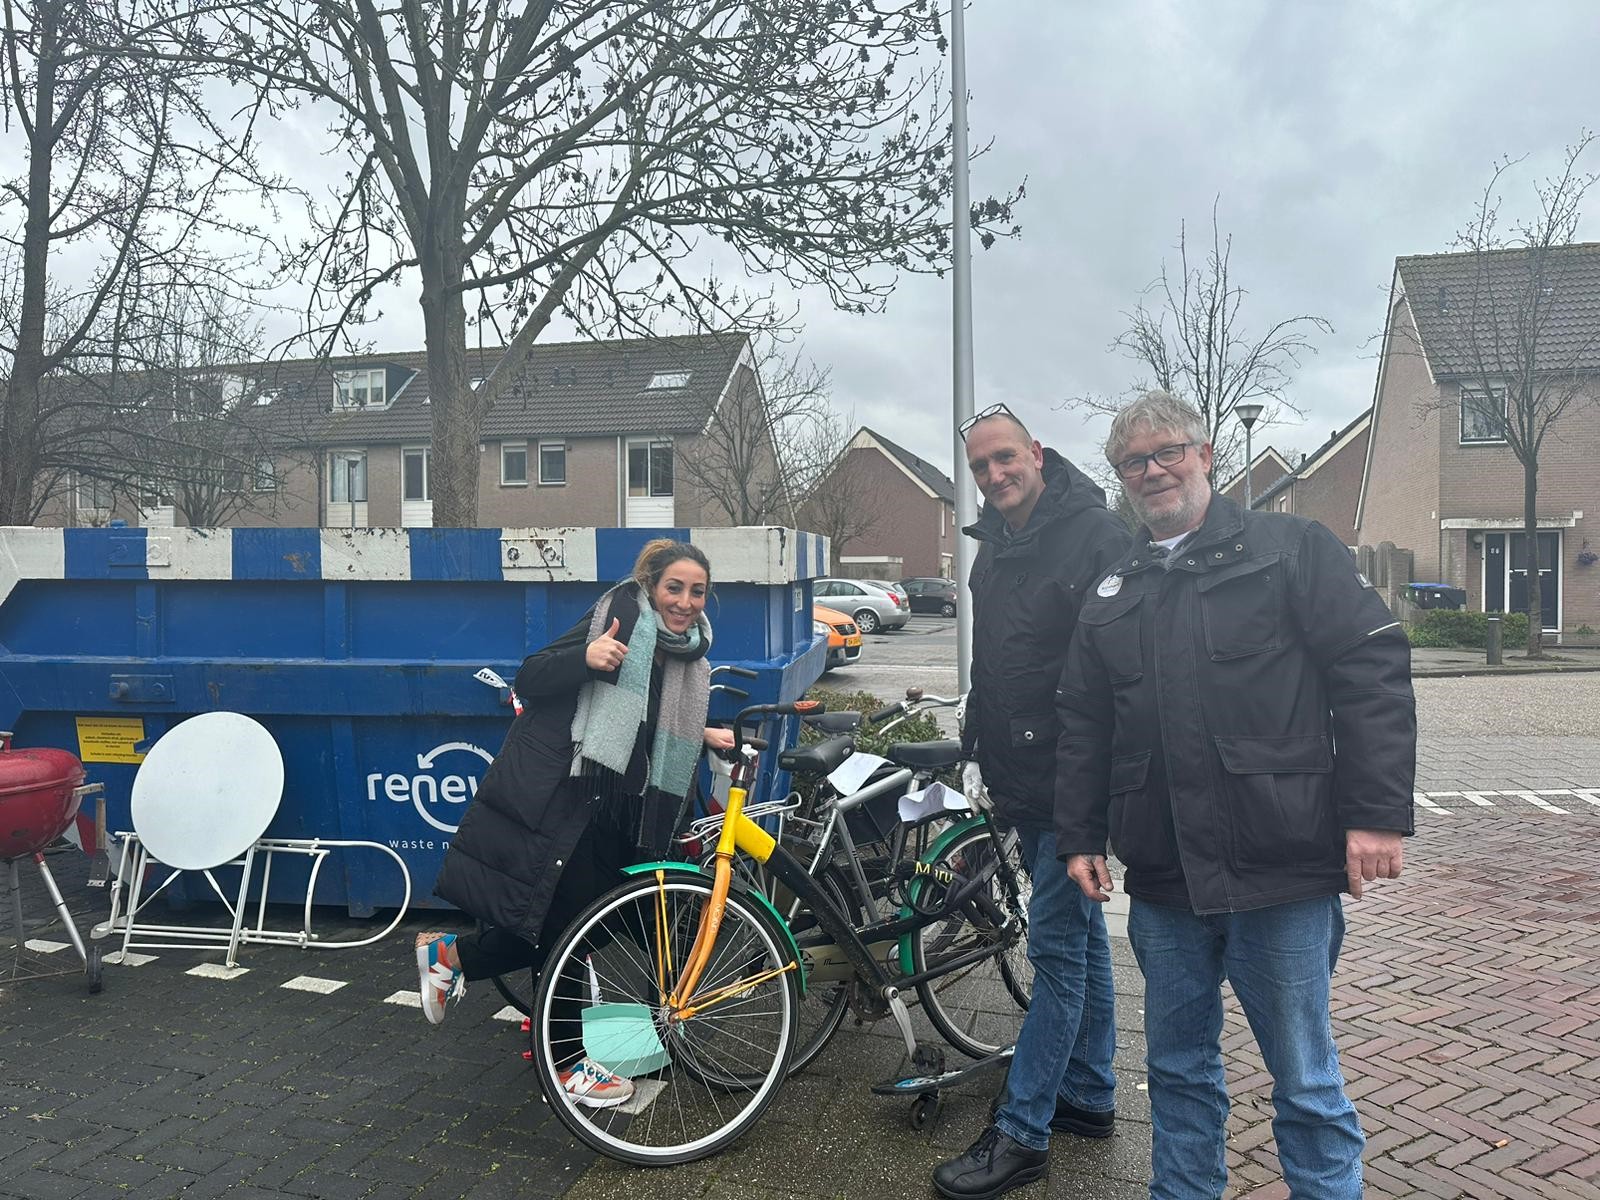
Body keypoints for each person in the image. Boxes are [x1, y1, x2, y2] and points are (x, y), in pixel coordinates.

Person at [1056, 391, 1415, 1199]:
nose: (1153, 471)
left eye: (1168, 452)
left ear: (1206, 455)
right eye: (1133, 462)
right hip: (1164, 881)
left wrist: (1374, 814)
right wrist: (1079, 834)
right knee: (1176, 1071)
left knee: (1306, 1082)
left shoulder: (1290, 550)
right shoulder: (1113, 589)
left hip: (1280, 872)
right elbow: (1085, 721)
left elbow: (1370, 668)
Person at [415, 539, 735, 1109]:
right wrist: (584, 659)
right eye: (675, 588)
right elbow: (530, 677)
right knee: (568, 931)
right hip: (573, 802)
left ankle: (453, 957)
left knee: (581, 927)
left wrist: (700, 733)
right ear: (651, 585)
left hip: (625, 814)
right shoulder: (616, 619)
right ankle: (565, 1065)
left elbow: (648, 721)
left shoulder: (689, 655)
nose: (685, 602)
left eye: (697, 591)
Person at [932, 403, 1132, 1200]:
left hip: (1070, 781)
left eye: (1005, 458)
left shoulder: (1096, 537)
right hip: (1020, 776)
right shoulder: (997, 545)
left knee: (1054, 951)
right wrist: (977, 744)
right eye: (981, 466)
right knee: (1078, 941)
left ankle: (1023, 1132)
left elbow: (1112, 675)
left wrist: (1092, 797)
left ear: (1037, 454)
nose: (994, 475)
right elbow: (997, 661)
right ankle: (1089, 1092)